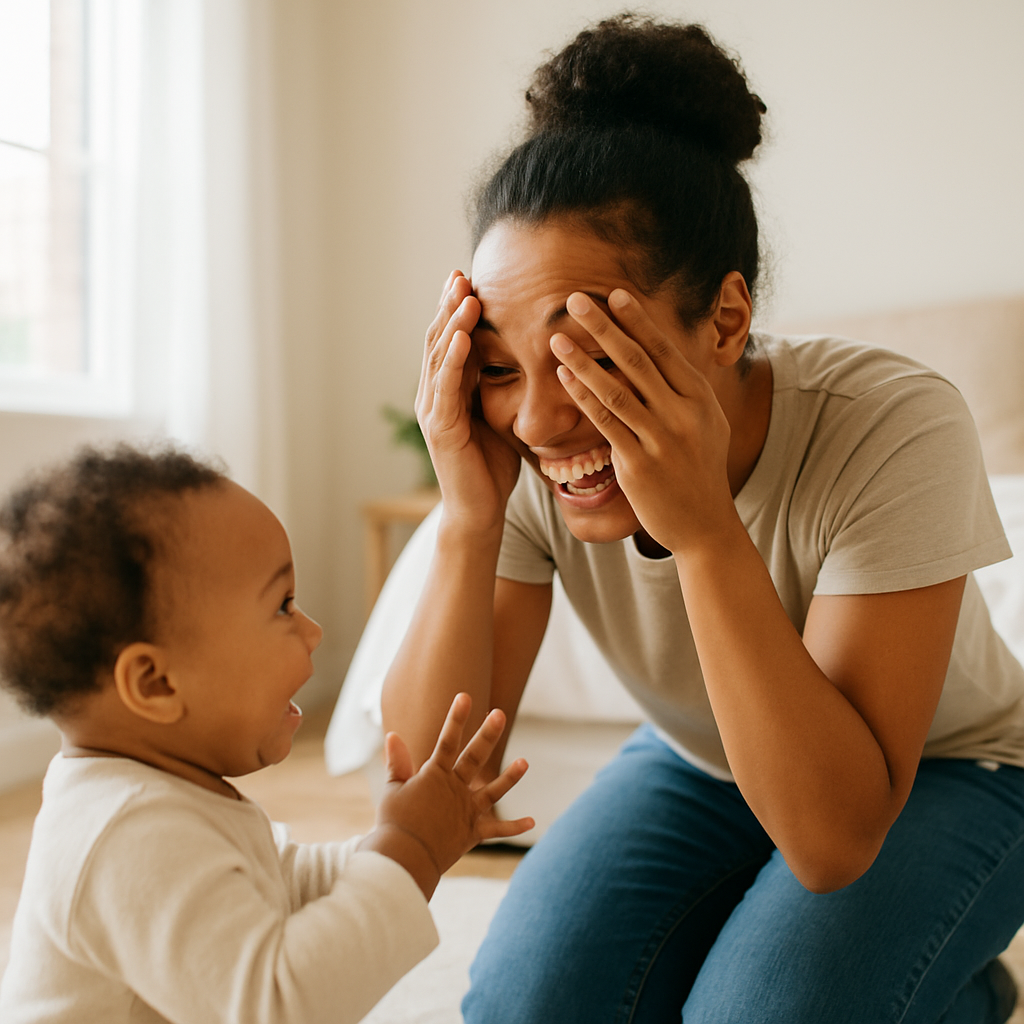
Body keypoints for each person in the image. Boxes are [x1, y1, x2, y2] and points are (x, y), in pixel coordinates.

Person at [381, 12, 1024, 1024]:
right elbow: (424, 789)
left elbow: (830, 839)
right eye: (499, 366)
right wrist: (467, 514)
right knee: (523, 1009)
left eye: (589, 355)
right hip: (701, 753)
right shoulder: (514, 455)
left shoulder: (893, 423)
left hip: (953, 767)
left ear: (724, 322)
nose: (541, 417)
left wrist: (707, 532)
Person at [0, 444, 532, 1024]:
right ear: (155, 682)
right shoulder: (125, 835)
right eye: (282, 607)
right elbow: (277, 1006)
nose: (313, 630)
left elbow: (279, 886)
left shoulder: (154, 796)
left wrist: (400, 840)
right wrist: (411, 853)